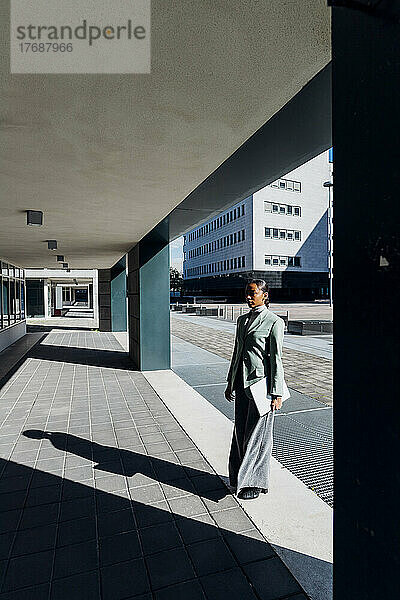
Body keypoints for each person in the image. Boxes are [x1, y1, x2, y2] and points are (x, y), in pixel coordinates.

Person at [225, 279, 287, 500]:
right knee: (240, 432)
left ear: (265, 295)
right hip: (242, 384)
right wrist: (230, 382)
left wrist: (276, 392)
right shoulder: (242, 321)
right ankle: (237, 477)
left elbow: (276, 359)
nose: (248, 297)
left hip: (261, 386)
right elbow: (237, 353)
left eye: (253, 293)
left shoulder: (274, 322)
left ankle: (254, 483)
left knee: (258, 436)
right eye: (247, 293)